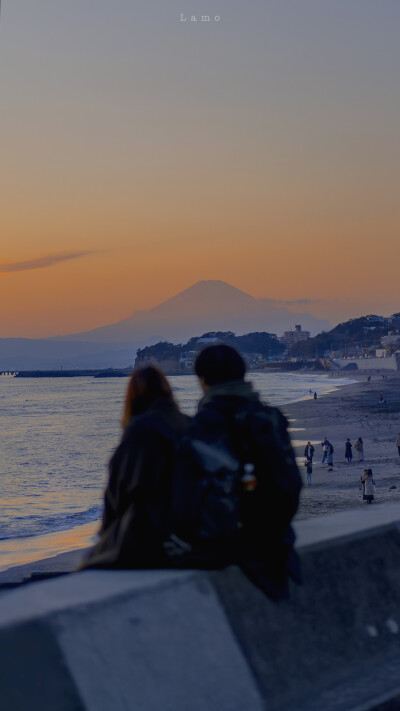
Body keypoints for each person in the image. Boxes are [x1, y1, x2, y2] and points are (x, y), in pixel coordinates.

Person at [188, 344, 302, 600]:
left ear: (202, 380)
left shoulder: (206, 423)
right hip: (279, 538)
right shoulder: (269, 416)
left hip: (233, 544)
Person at [79, 366, 189, 570]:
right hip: (188, 531)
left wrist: (106, 535)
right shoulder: (188, 425)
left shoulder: (140, 431)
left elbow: (118, 493)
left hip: (152, 537)